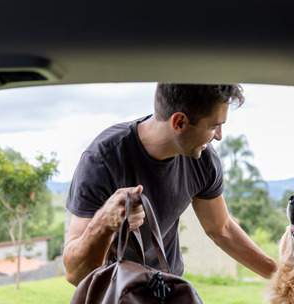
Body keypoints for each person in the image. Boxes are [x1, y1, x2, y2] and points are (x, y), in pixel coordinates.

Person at [63, 83, 276, 286]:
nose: (219, 137)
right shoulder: (102, 160)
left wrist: (282, 276)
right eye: (214, 126)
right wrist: (105, 222)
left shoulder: (203, 160)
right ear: (179, 123)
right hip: (112, 298)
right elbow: (74, 273)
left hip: (166, 293)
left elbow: (221, 229)